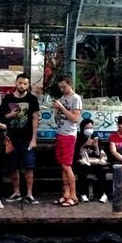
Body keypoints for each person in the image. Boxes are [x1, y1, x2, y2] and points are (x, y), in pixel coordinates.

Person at [3, 74, 41, 205]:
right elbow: (2, 117)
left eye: (25, 84)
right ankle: (16, 192)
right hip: (11, 138)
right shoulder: (7, 98)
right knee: (13, 167)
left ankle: (29, 194)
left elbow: (35, 118)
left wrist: (34, 139)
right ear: (16, 83)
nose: (22, 86)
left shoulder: (32, 99)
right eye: (20, 83)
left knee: (29, 167)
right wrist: (10, 115)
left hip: (27, 138)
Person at [52, 77, 82, 207]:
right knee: (62, 166)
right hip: (60, 132)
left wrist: (62, 108)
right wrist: (56, 109)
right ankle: (66, 193)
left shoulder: (76, 99)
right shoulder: (62, 99)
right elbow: (57, 117)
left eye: (64, 87)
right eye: (60, 87)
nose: (62, 89)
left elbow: (75, 118)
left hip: (69, 135)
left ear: (70, 85)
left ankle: (74, 195)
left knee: (67, 165)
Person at [75, 118, 108, 203]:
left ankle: (103, 194)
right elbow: (76, 154)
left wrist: (96, 146)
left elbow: (98, 154)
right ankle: (83, 194)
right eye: (87, 128)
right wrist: (84, 145)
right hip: (82, 162)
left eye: (91, 128)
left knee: (101, 171)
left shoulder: (94, 137)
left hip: (94, 162)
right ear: (82, 128)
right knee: (83, 170)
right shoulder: (78, 138)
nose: (89, 130)